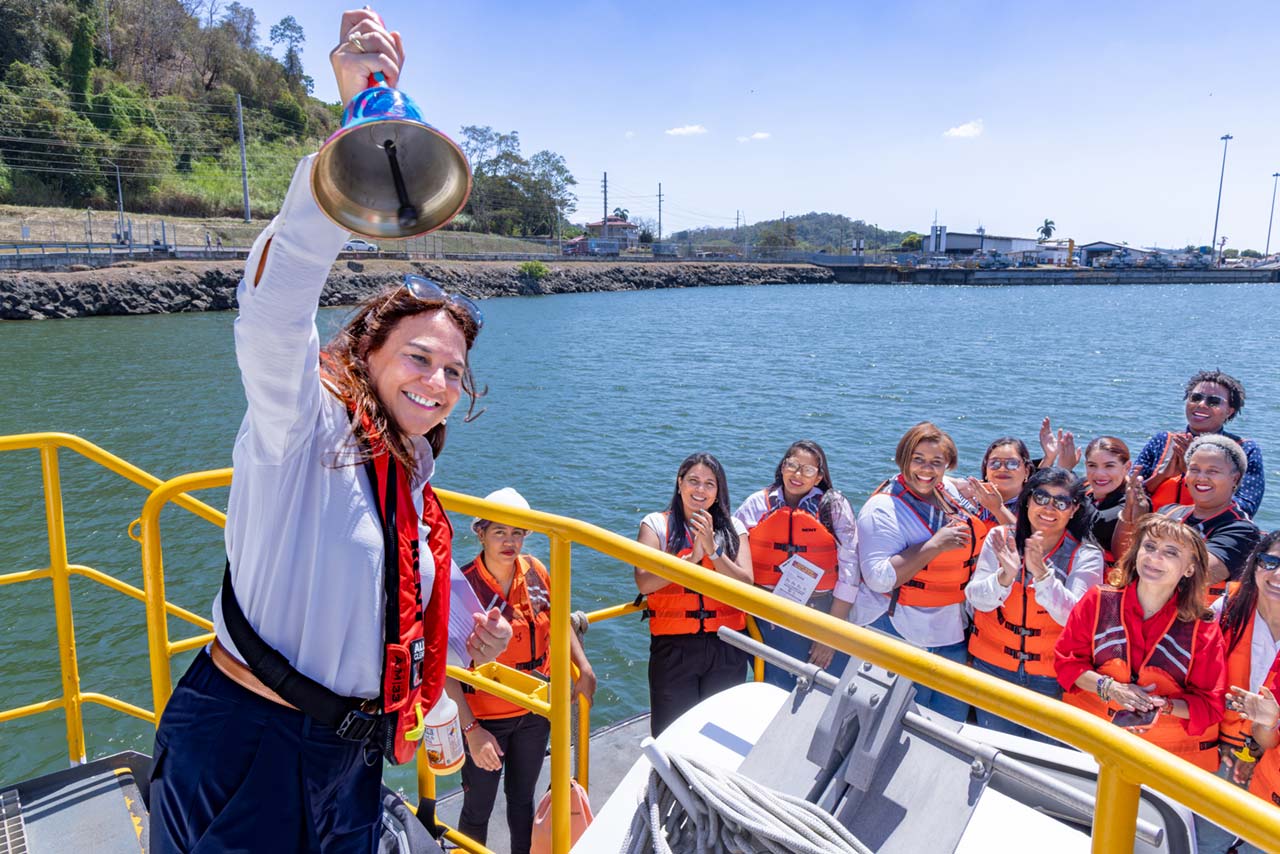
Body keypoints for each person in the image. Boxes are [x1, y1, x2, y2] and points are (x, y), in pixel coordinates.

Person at [148, 11, 513, 851]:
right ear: (365, 354)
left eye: (454, 372)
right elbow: (273, 311)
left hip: (353, 762)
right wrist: (352, 138)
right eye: (419, 357)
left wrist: (463, 648)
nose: (438, 381)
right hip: (249, 744)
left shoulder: (411, 482)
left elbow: (371, 610)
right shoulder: (300, 426)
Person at [447, 488, 595, 854]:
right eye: (500, 532)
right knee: (477, 809)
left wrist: (583, 667)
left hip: (534, 711)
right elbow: (445, 669)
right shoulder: (460, 586)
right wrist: (471, 731)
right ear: (480, 533)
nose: (509, 541)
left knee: (521, 802)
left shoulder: (538, 571)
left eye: (518, 532)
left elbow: (559, 621)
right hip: (484, 720)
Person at [1054, 514, 1226, 771]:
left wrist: (1162, 706)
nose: (1155, 558)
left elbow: (1210, 705)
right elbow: (1067, 663)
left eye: (1171, 552)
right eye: (1149, 547)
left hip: (1162, 761)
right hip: (1090, 741)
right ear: (1136, 553)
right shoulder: (1098, 600)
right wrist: (1110, 688)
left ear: (1190, 568)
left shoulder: (1204, 628)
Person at [857, 422, 988, 720]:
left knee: (947, 726)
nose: (926, 470)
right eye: (918, 460)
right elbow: (878, 578)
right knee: (890, 724)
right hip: (898, 629)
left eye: (936, 462)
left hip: (950, 631)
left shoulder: (949, 492)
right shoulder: (883, 508)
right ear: (903, 459)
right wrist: (933, 546)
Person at [966, 467, 1104, 740]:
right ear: (1027, 499)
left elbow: (1076, 617)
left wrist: (1042, 574)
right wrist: (1004, 577)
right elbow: (977, 599)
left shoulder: (1086, 555)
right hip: (992, 669)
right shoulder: (1000, 538)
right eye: (1041, 498)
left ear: (1074, 509)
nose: (1049, 508)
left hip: (1052, 678)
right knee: (993, 751)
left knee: (1042, 761)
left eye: (1061, 502)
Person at [734, 440, 868, 690]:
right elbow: (733, 546)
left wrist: (830, 634)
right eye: (792, 465)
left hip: (821, 615)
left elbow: (850, 573)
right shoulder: (757, 504)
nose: (797, 474)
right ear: (782, 466)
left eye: (808, 470)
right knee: (774, 691)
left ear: (819, 477)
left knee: (825, 694)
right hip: (767, 617)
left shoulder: (834, 508)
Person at [636, 452, 753, 735]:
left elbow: (746, 585)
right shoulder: (655, 525)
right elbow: (644, 583)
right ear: (679, 483)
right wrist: (691, 559)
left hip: (726, 645)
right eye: (693, 481)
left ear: (719, 491)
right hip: (674, 648)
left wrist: (713, 552)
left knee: (719, 732)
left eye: (709, 484)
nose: (700, 490)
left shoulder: (734, 528)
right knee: (670, 733)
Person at [1193, 533, 1280, 854]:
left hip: (1272, 762)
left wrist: (1262, 743)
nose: (1277, 574)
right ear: (1256, 564)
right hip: (1220, 751)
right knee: (1206, 840)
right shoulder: (1228, 606)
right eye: (1270, 562)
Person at [1134, 370, 1264, 516]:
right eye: (1195, 398)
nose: (1201, 404)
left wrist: (1192, 474)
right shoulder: (1162, 441)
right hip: (1152, 531)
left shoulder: (1244, 450)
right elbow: (1128, 495)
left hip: (1210, 534)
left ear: (1229, 411)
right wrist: (1162, 476)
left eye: (1213, 401)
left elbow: (1246, 507)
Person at [1153, 434, 1261, 600]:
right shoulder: (1168, 512)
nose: (1201, 477)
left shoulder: (1241, 530)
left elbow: (1199, 573)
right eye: (1194, 469)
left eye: (1213, 471)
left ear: (1235, 478)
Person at [1079, 436, 1132, 564]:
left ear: (1127, 467)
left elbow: (1096, 524)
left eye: (1109, 466)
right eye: (1092, 465)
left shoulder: (1133, 503)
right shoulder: (1084, 490)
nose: (1099, 474)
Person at [958, 437, 1032, 528]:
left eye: (1012, 463)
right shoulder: (969, 497)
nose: (1002, 469)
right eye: (995, 463)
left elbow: (1024, 538)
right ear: (986, 470)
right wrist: (958, 484)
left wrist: (997, 509)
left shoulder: (1035, 505)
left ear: (1026, 471)